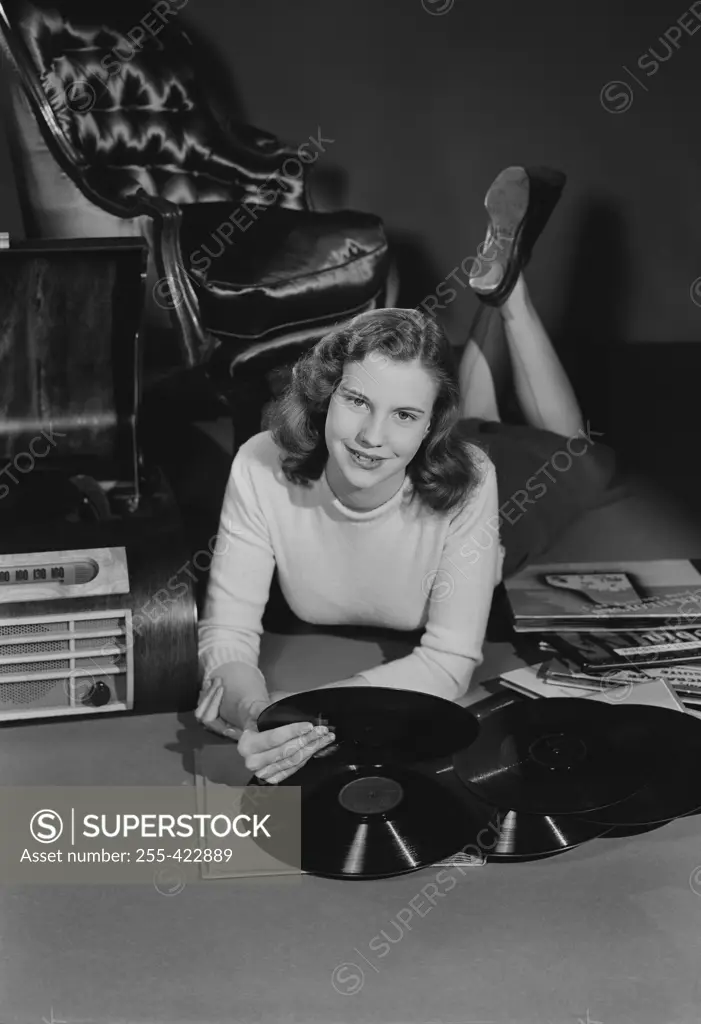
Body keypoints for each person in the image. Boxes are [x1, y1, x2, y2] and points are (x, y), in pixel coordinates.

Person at [195, 165, 616, 784]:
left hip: (488, 485)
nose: (369, 436)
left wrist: (312, 719)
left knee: (575, 452)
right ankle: (501, 287)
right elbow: (227, 631)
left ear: (428, 426)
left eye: (403, 414)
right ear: (325, 393)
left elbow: (448, 660)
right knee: (471, 413)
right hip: (440, 435)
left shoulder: (471, 477)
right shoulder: (261, 463)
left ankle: (512, 297)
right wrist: (254, 709)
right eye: (356, 401)